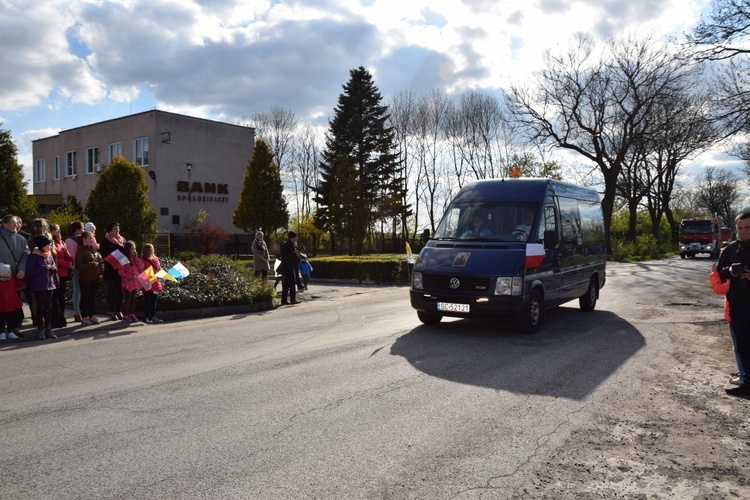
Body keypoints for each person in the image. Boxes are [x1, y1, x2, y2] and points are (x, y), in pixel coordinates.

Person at [717, 212, 750, 397]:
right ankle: (747, 384)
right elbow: (720, 272)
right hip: (737, 306)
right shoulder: (731, 249)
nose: (744, 231)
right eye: (740, 228)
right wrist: (730, 272)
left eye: (748, 227)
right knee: (743, 347)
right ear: (736, 229)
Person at [710, 262, 743, 385]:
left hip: (734, 316)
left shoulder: (734, 281)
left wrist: (714, 274)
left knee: (739, 348)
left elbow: (718, 289)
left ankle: (743, 374)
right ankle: (743, 370)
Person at [0, 215, 29, 338]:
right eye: (12, 222)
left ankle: (13, 328)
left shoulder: (21, 239)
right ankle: (1, 330)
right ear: (4, 224)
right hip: (1, 278)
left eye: (17, 222)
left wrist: (22, 268)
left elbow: (25, 254)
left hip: (15, 276)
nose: (15, 225)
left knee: (14, 305)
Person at [26, 235, 58, 340]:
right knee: (41, 307)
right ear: (42, 246)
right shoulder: (33, 256)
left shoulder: (49, 255)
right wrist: (45, 268)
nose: (50, 247)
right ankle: (40, 329)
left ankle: (49, 329)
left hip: (50, 285)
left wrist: (53, 268)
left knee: (49, 307)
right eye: (48, 245)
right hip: (39, 286)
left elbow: (54, 267)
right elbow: (31, 272)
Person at [75, 231, 103, 325]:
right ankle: (85, 316)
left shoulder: (93, 250)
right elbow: (78, 266)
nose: (92, 240)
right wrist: (91, 264)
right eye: (90, 238)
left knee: (92, 297)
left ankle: (92, 315)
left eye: (92, 238)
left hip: (94, 277)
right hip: (85, 278)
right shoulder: (81, 251)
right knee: (85, 297)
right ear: (84, 240)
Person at [99, 221, 125, 320]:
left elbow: (126, 252)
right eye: (115, 228)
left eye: (118, 227)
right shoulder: (105, 241)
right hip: (110, 269)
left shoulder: (122, 239)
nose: (117, 229)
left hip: (121, 269)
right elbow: (104, 255)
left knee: (120, 291)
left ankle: (119, 310)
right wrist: (114, 258)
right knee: (111, 291)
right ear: (110, 230)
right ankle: (112, 311)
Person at [50, 223, 72, 328]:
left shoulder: (62, 242)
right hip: (56, 273)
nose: (59, 232)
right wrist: (67, 264)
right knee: (55, 298)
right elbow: (55, 259)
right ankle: (55, 320)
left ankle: (62, 318)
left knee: (61, 297)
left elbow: (68, 255)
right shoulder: (51, 243)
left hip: (63, 273)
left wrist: (71, 260)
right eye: (56, 230)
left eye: (59, 230)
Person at [118, 240, 142, 323]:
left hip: (134, 283)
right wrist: (130, 276)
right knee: (127, 299)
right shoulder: (123, 259)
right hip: (127, 283)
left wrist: (136, 257)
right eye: (132, 249)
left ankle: (131, 313)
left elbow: (140, 266)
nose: (133, 251)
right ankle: (125, 314)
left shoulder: (134, 258)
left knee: (133, 299)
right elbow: (120, 271)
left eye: (134, 249)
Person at [65, 221, 84, 322]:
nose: (83, 230)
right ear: (77, 230)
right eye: (82, 228)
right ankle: (76, 312)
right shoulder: (69, 241)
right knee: (77, 289)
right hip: (76, 268)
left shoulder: (82, 239)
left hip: (85, 268)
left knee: (83, 290)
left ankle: (83, 310)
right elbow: (72, 257)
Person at [140, 243, 163, 324]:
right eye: (149, 250)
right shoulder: (142, 260)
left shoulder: (156, 259)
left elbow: (159, 268)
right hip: (147, 282)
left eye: (152, 249)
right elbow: (141, 271)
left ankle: (153, 316)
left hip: (155, 282)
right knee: (147, 300)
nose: (151, 251)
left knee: (153, 300)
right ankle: (147, 316)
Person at [0, 262, 23, 340]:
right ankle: (2, 332)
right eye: (9, 272)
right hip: (2, 304)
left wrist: (19, 279)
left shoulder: (12, 279)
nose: (11, 272)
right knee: (1, 319)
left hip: (12, 303)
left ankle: (10, 331)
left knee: (11, 319)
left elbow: (19, 284)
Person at [279, 231, 301, 305]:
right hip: (287, 266)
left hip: (291, 266)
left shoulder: (292, 244)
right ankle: (292, 299)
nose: (296, 240)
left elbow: (293, 254)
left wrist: (297, 256)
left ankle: (284, 300)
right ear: (292, 238)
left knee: (286, 284)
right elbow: (286, 256)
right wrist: (295, 254)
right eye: (295, 238)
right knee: (291, 283)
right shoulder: (285, 245)